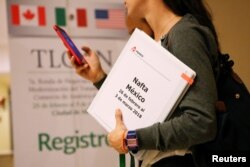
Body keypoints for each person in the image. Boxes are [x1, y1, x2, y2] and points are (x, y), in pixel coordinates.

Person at [68, 0, 221, 166]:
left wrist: (131, 140)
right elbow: (140, 107)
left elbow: (201, 122)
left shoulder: (184, 34)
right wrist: (98, 77)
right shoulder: (156, 38)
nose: (123, 1)